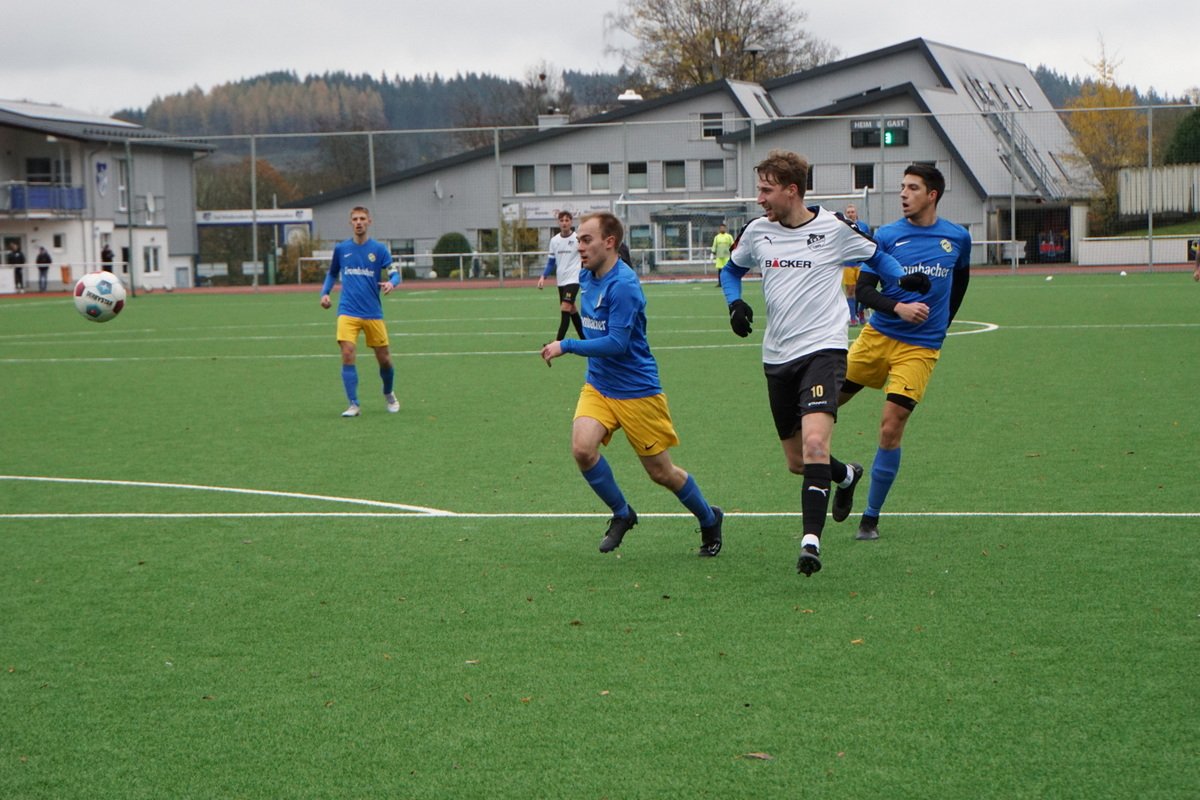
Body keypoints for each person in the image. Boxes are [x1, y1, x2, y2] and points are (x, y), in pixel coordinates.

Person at [719, 150, 926, 576]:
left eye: (766, 190)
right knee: (798, 461)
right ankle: (846, 475)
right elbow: (730, 270)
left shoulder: (832, 227)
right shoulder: (757, 231)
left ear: (791, 190)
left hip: (824, 351)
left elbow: (876, 255)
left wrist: (901, 279)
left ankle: (810, 543)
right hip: (777, 357)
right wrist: (734, 303)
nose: (759, 198)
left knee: (815, 445)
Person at [540, 212, 725, 557]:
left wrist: (567, 345)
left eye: (586, 240)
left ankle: (709, 517)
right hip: (599, 384)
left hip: (637, 390)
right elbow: (586, 310)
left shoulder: (624, 285)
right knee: (582, 449)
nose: (579, 247)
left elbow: (617, 344)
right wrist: (569, 306)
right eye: (578, 240)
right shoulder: (586, 274)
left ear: (609, 242)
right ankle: (622, 513)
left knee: (661, 472)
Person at [839, 164, 971, 541]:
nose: (903, 193)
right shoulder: (887, 236)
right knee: (822, 406)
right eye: (902, 187)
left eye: (912, 187)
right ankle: (844, 476)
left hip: (920, 348)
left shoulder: (957, 238)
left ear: (932, 195)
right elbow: (864, 291)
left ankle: (870, 519)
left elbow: (960, 282)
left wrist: (942, 324)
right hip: (877, 338)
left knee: (890, 426)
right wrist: (898, 308)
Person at [319, 206, 401, 418]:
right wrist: (325, 293)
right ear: (350, 222)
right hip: (347, 311)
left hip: (373, 312)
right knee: (347, 353)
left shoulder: (379, 249)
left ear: (369, 222)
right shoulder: (341, 249)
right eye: (355, 219)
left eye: (362, 218)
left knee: (384, 359)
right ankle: (353, 404)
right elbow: (332, 273)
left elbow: (395, 274)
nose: (359, 222)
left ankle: (388, 393)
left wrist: (391, 283)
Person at [536, 210, 584, 341]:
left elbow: (586, 256)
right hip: (561, 281)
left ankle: (557, 344)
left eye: (567, 220)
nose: (564, 223)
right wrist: (543, 277)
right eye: (562, 220)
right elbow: (551, 262)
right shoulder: (554, 240)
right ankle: (586, 340)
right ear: (558, 222)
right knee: (572, 310)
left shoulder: (577, 239)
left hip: (574, 279)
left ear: (571, 222)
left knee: (565, 308)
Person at [842, 204, 872, 326]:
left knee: (863, 290)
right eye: (848, 212)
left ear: (856, 213)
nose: (850, 214)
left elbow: (870, 242)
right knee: (850, 290)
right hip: (848, 264)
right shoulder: (841, 227)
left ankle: (861, 311)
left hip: (862, 264)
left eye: (852, 212)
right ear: (845, 214)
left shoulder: (864, 226)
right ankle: (852, 317)